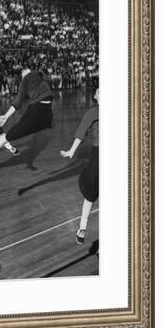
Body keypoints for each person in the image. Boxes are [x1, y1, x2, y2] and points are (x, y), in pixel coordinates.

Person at [0, 66, 53, 163]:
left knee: (13, 134)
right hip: (36, 110)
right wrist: (6, 116)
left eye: (24, 71)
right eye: (22, 73)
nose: (24, 73)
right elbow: (18, 101)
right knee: (11, 134)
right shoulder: (26, 81)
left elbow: (48, 82)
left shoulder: (39, 74)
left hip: (45, 112)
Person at [61, 88, 99, 244]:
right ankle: (82, 226)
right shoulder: (93, 112)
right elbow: (81, 131)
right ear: (96, 96)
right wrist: (72, 150)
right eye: (99, 92)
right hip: (100, 153)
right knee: (90, 189)